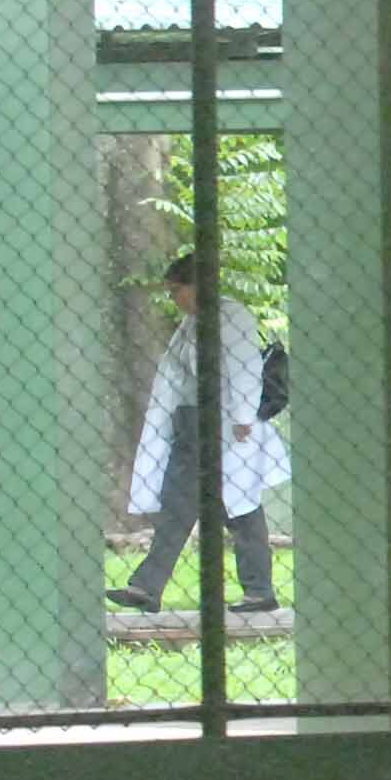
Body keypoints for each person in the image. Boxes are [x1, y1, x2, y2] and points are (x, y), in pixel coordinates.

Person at [107, 254, 289, 614]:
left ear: (197, 286)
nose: (174, 298)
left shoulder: (231, 316)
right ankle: (147, 588)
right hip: (194, 423)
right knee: (181, 504)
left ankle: (258, 591)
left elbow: (244, 367)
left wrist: (242, 417)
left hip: (226, 425)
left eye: (177, 290)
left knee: (237, 506)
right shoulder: (193, 323)